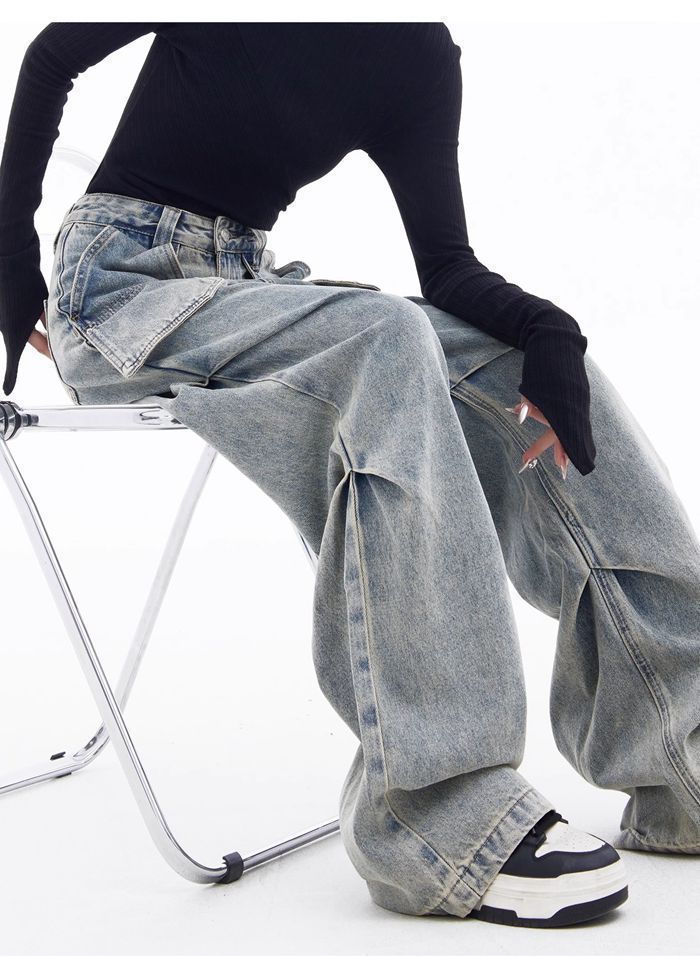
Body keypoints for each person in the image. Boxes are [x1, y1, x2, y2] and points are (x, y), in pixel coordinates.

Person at [1, 22, 699, 928]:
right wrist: (9, 259)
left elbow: (447, 267)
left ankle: (680, 752)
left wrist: (548, 329)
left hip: (248, 289)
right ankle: (439, 818)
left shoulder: (417, 55)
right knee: (385, 339)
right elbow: (51, 54)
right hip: (117, 292)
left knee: (513, 361)